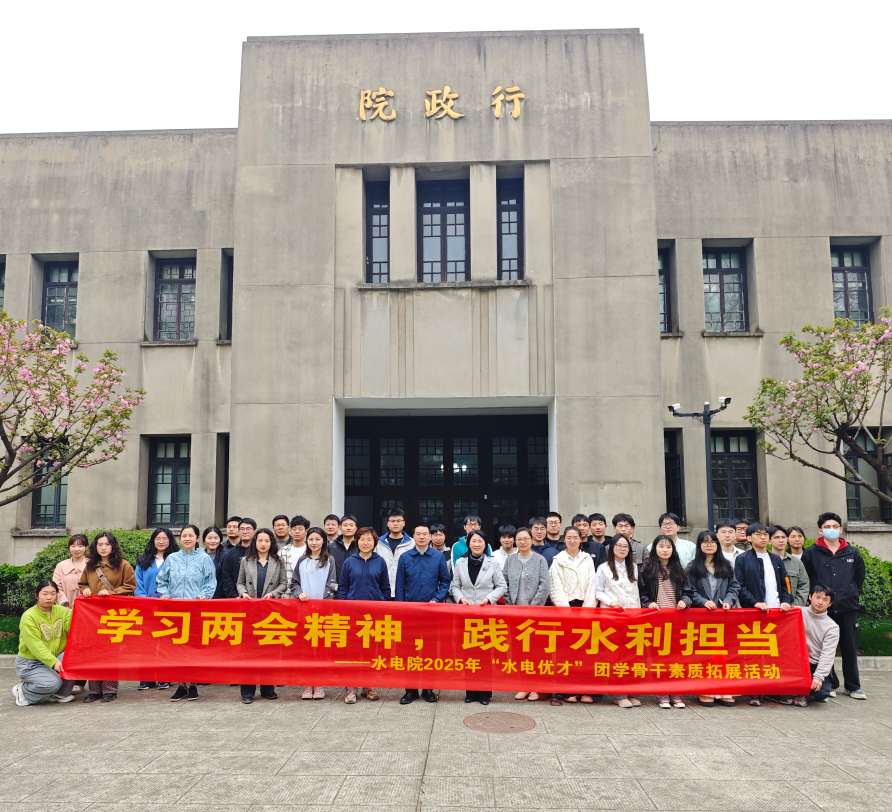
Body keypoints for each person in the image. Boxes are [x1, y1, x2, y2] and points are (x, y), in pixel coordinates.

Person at [802, 512, 866, 700]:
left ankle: (853, 686)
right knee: (823, 648)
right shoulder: (811, 552)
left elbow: (859, 578)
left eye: (835, 526)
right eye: (827, 527)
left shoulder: (852, 552)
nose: (832, 530)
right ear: (820, 530)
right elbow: (807, 578)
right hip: (822, 610)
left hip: (847, 607)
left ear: (841, 529)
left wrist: (850, 593)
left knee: (849, 647)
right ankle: (830, 684)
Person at [734, 522, 792, 706]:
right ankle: (755, 691)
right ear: (749, 538)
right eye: (758, 534)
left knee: (777, 654)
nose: (763, 537)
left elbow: (786, 584)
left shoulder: (776, 560)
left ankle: (775, 690)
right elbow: (739, 586)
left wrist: (786, 600)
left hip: (778, 614)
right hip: (755, 614)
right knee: (756, 654)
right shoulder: (743, 559)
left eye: (765, 534)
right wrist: (755, 602)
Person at [157, 524, 217, 701]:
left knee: (193, 648)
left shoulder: (204, 558)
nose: (187, 538)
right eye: (184, 535)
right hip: (175, 611)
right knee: (177, 648)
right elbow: (162, 580)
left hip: (196, 610)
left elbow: (210, 581)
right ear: (180, 538)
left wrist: (204, 595)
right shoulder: (172, 558)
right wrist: (165, 594)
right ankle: (181, 685)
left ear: (197, 539)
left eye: (191, 536)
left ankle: (193, 685)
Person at [77, 532, 136, 703]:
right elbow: (82, 584)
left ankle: (110, 690)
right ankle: (94, 690)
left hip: (114, 613)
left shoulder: (123, 565)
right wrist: (85, 590)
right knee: (93, 651)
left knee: (110, 652)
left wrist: (111, 593)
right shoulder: (90, 565)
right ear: (95, 547)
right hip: (93, 615)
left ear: (113, 546)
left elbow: (130, 585)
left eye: (107, 544)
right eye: (100, 544)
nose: (103, 547)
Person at [396, 522, 451, 704]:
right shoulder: (405, 557)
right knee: (409, 650)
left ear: (430, 537)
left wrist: (436, 599)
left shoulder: (438, 557)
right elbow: (400, 585)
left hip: (431, 611)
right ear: (413, 537)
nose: (421, 537)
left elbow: (445, 582)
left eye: (424, 534)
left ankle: (428, 688)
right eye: (418, 534)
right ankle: (410, 690)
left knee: (429, 650)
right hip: (410, 612)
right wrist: (401, 608)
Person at [450, 529, 506, 705]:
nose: (476, 544)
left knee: (485, 654)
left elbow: (502, 586)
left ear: (485, 544)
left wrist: (489, 598)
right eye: (473, 541)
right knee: (468, 653)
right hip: (466, 614)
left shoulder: (493, 562)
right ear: (468, 543)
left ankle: (484, 693)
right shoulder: (460, 562)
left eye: (480, 541)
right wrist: (460, 598)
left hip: (486, 613)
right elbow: (454, 586)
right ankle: (471, 692)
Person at [686, 531, 740, 707]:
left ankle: (725, 690)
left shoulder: (725, 565)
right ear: (699, 545)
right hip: (702, 618)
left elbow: (734, 587)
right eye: (704, 542)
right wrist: (702, 601)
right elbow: (688, 590)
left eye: (712, 542)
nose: (709, 545)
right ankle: (705, 690)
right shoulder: (692, 567)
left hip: (722, 617)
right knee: (704, 655)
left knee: (724, 655)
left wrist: (729, 601)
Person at [639, 535, 691, 709]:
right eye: (661, 546)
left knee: (676, 658)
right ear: (654, 548)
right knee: (659, 657)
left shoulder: (679, 569)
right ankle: (661, 693)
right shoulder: (646, 569)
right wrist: (648, 603)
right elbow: (642, 592)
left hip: (676, 619)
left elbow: (688, 592)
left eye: (668, 547)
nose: (665, 550)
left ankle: (676, 693)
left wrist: (685, 601)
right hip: (656, 619)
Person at [339, 527, 391, 703]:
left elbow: (385, 588)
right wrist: (345, 606)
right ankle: (351, 689)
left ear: (374, 542)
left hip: (374, 615)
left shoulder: (380, 562)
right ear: (357, 541)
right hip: (353, 614)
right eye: (362, 539)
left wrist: (383, 607)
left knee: (371, 651)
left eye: (369, 539)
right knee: (352, 652)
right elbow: (343, 587)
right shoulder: (349, 562)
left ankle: (369, 687)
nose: (365, 543)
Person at [237, 528, 287, 704]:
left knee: (268, 650)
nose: (263, 544)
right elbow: (240, 582)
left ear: (271, 543)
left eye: (267, 541)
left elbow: (284, 583)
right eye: (260, 541)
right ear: (255, 542)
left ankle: (268, 689)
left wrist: (273, 593)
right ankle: (247, 692)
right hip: (250, 610)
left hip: (269, 611)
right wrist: (243, 593)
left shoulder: (278, 561)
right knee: (248, 652)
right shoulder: (246, 561)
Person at [549, 526, 597, 705]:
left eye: (575, 537)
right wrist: (566, 611)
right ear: (564, 539)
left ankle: (586, 691)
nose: (572, 541)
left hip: (585, 607)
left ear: (580, 539)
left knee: (586, 652)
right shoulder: (557, 560)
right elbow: (555, 587)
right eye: (569, 537)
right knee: (566, 653)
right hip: (565, 609)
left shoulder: (587, 559)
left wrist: (587, 610)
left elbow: (593, 585)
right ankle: (568, 691)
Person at [593, 536, 641, 708]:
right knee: (616, 656)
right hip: (612, 616)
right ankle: (618, 694)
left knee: (632, 655)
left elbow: (636, 591)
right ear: (612, 547)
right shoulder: (603, 568)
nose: (622, 549)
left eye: (625, 546)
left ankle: (631, 692)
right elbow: (598, 591)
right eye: (619, 546)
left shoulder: (634, 567)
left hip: (633, 616)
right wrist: (611, 602)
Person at [503, 526, 550, 701]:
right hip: (515, 613)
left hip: (535, 613)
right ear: (515, 541)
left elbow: (544, 586)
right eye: (519, 539)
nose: (522, 542)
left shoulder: (540, 560)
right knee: (519, 651)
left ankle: (536, 687)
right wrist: (511, 608)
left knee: (536, 651)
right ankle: (523, 685)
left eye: (526, 539)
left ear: (531, 540)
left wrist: (533, 608)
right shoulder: (510, 560)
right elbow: (505, 584)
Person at [12, 580, 76, 706]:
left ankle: (60, 693)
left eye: (53, 593)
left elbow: (71, 627)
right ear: (36, 595)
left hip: (54, 657)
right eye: (45, 593)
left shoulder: (61, 611)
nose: (49, 597)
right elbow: (35, 646)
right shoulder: (29, 616)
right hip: (30, 663)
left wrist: (75, 607)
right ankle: (24, 691)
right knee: (52, 683)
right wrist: (54, 662)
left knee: (75, 657)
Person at [292, 526, 338, 699]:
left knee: (321, 649)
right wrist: (299, 593)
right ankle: (307, 684)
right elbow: (294, 583)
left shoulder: (330, 560)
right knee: (306, 649)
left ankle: (319, 684)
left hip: (323, 611)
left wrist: (324, 603)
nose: (314, 542)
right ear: (306, 540)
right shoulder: (302, 561)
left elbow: (332, 583)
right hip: (304, 610)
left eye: (318, 539)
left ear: (323, 541)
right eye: (311, 539)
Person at [134, 527, 179, 690]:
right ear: (153, 541)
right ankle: (146, 677)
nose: (161, 541)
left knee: (167, 642)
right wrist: (146, 601)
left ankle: (164, 676)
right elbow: (138, 584)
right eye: (158, 538)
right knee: (147, 643)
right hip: (147, 608)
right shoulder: (143, 560)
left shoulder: (177, 559)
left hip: (169, 608)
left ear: (170, 540)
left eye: (165, 538)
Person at [51, 533, 89, 694]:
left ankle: (80, 681)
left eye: (80, 545)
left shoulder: (92, 564)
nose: (76, 549)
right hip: (65, 611)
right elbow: (56, 587)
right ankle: (66, 680)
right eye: (73, 545)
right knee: (68, 645)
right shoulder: (61, 566)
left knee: (85, 646)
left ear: (86, 547)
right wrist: (65, 604)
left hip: (87, 612)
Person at [794, 585, 841, 706]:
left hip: (815, 663)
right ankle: (801, 690)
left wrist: (818, 677)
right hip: (797, 663)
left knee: (821, 694)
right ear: (810, 597)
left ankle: (828, 680)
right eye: (818, 597)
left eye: (825, 599)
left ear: (830, 604)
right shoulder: (797, 612)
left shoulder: (832, 627)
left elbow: (828, 654)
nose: (820, 602)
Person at [769, 525, 809, 607]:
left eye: (783, 537)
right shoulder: (763, 561)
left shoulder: (796, 562)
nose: (781, 540)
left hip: (792, 609)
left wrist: (795, 606)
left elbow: (803, 586)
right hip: (768, 609)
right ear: (769, 541)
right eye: (776, 538)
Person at [377, 508, 414, 596]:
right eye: (392, 521)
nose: (395, 524)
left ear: (404, 523)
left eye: (398, 521)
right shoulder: (378, 543)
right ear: (387, 523)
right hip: (382, 590)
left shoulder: (412, 543)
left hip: (405, 592)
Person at [220, 518, 257, 598]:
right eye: (242, 529)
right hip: (237, 598)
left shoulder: (259, 551)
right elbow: (227, 578)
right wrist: (234, 596)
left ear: (254, 531)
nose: (245, 531)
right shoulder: (230, 553)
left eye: (248, 529)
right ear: (238, 531)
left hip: (258, 597)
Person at [280, 515, 310, 591]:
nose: (297, 531)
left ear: (306, 531)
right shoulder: (282, 551)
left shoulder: (311, 551)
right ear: (290, 530)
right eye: (294, 529)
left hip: (306, 592)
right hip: (286, 593)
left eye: (300, 529)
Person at [203, 526, 227, 599]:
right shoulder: (199, 556)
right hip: (201, 597)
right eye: (209, 538)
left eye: (216, 538)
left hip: (219, 597)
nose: (213, 541)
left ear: (220, 539)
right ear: (204, 540)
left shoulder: (225, 556)